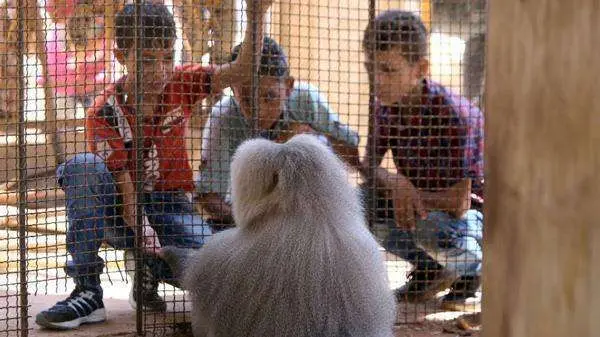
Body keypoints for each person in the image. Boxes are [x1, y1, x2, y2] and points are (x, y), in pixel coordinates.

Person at [35, 1, 273, 329]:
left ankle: (150, 268)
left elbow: (241, 71)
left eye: (166, 59)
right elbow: (127, 193)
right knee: (83, 167)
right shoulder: (103, 112)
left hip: (171, 206)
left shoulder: (180, 84)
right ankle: (87, 290)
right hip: (120, 211)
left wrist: (257, 16)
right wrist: (146, 237)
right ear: (122, 57)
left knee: (212, 269)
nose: (160, 71)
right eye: (147, 60)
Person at [360, 10, 484, 312]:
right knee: (357, 205)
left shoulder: (455, 115)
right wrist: (396, 182)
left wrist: (410, 195)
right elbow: (369, 165)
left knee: (431, 229)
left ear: (420, 69)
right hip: (419, 209)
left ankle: (473, 271)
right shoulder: (385, 108)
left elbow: (459, 203)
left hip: (469, 218)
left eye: (388, 70)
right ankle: (431, 271)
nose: (377, 81)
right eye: (370, 68)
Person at [196, 36, 361, 229]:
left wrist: (310, 137)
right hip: (247, 220)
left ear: (289, 86)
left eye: (270, 97)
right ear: (233, 89)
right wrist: (258, 222)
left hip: (307, 216)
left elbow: (351, 155)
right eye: (247, 100)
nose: (259, 112)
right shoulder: (223, 118)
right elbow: (208, 196)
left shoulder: (306, 101)